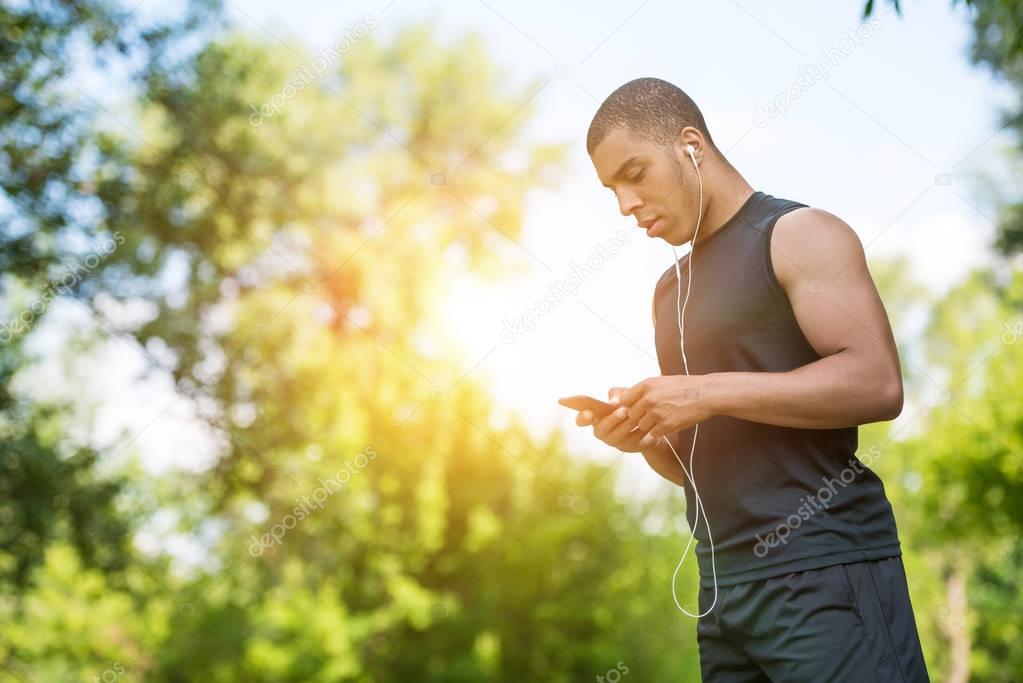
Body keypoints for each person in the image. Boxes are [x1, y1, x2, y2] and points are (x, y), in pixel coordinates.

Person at [576, 77, 930, 682]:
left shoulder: (799, 235)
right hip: (722, 594)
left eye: (635, 173)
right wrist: (647, 438)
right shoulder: (669, 291)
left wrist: (705, 392)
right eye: (612, 189)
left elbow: (878, 382)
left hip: (824, 571)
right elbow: (699, 458)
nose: (626, 205)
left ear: (691, 146)